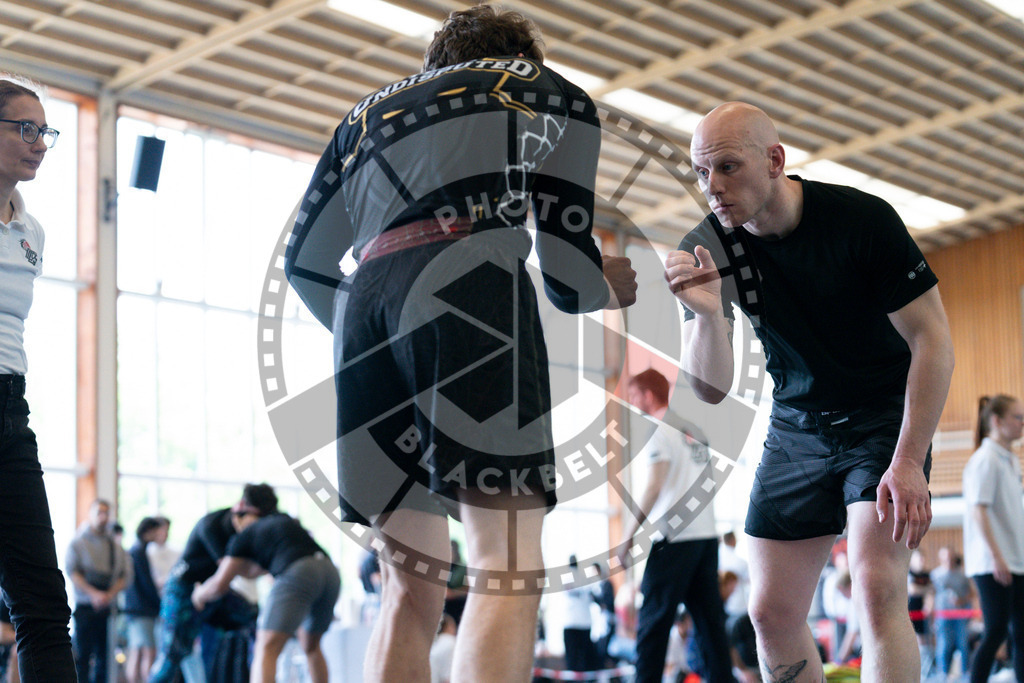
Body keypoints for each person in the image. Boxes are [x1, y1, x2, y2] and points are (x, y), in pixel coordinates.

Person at [284, 6, 637, 683]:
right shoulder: (549, 90)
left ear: (434, 64)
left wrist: (380, 340)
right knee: (505, 563)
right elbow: (564, 268)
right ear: (522, 54)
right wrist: (603, 286)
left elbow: (306, 261)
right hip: (467, 284)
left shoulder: (363, 115)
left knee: (406, 588)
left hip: (364, 306)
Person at [666, 101, 955, 682]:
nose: (713, 188)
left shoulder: (862, 221)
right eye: (701, 173)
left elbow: (933, 341)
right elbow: (711, 390)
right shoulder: (709, 247)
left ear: (775, 160)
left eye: (727, 167)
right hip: (798, 423)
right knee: (769, 613)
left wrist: (907, 461)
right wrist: (704, 318)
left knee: (876, 591)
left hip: (882, 416)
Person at [0, 76, 77, 683]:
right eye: (25, 129)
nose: (39, 144)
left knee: (44, 603)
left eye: (44, 132)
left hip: (9, 413)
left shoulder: (32, 232)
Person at [618, 369, 735, 683]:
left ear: (648, 394)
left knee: (653, 625)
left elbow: (654, 485)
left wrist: (626, 537)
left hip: (675, 539)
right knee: (711, 626)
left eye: (633, 395)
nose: (632, 402)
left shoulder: (660, 431)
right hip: (705, 537)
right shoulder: (694, 430)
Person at [192, 501, 341, 683]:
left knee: (266, 647)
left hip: (299, 572)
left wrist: (199, 595)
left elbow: (219, 585)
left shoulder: (244, 536)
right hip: (329, 571)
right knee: (311, 645)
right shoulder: (282, 523)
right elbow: (253, 572)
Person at [149, 483, 277, 683]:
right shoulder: (212, 525)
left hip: (213, 591)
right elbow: (232, 572)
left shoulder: (250, 530)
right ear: (242, 507)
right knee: (172, 656)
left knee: (251, 618)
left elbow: (244, 572)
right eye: (257, 520)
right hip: (183, 590)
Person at [962, 394, 1024, 683]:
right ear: (997, 421)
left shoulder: (1010, 460)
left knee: (1021, 632)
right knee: (996, 630)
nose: (1022, 423)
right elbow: (978, 511)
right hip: (992, 562)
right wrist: (997, 556)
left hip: (1015, 560)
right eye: (1018, 417)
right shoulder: (985, 459)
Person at [66, 498, 131, 683]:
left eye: (106, 513)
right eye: (99, 512)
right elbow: (73, 572)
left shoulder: (115, 547)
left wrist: (108, 595)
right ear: (91, 514)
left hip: (107, 607)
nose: (103, 517)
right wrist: (94, 594)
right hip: (86, 606)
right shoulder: (78, 543)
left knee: (105, 656)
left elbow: (125, 574)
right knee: (83, 656)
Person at [123, 516, 169, 683]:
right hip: (142, 609)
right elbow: (145, 583)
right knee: (148, 652)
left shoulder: (137, 550)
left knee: (137, 651)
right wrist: (159, 604)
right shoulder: (138, 552)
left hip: (135, 609)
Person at [930, 546, 974, 679]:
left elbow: (971, 593)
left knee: (963, 644)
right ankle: (942, 674)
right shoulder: (935, 575)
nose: (948, 560)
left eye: (950, 557)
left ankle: (965, 674)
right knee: (943, 645)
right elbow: (931, 595)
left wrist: (962, 600)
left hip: (960, 616)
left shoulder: (962, 574)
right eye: (945, 557)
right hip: (942, 616)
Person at [562, 555, 598, 672]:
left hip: (572, 623)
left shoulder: (566, 577)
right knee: (583, 662)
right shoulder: (585, 578)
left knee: (572, 662)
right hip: (584, 624)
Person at [907, 549, 934, 678]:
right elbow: (913, 590)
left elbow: (931, 593)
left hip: (923, 616)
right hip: (909, 613)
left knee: (924, 643)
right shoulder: (908, 573)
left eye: (922, 559)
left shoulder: (926, 575)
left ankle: (923, 672)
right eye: (918, 559)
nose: (921, 562)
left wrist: (929, 604)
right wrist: (927, 590)